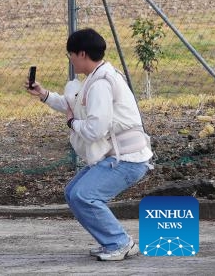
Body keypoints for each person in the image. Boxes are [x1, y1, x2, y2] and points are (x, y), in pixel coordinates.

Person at [26, 27, 153, 261]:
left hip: (127, 159)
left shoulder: (101, 84)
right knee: (73, 192)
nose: (71, 60)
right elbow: (73, 105)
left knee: (84, 195)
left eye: (70, 55)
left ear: (82, 54)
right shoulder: (96, 78)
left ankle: (119, 242)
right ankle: (113, 241)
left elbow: (95, 129)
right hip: (116, 156)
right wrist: (44, 95)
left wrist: (72, 124)